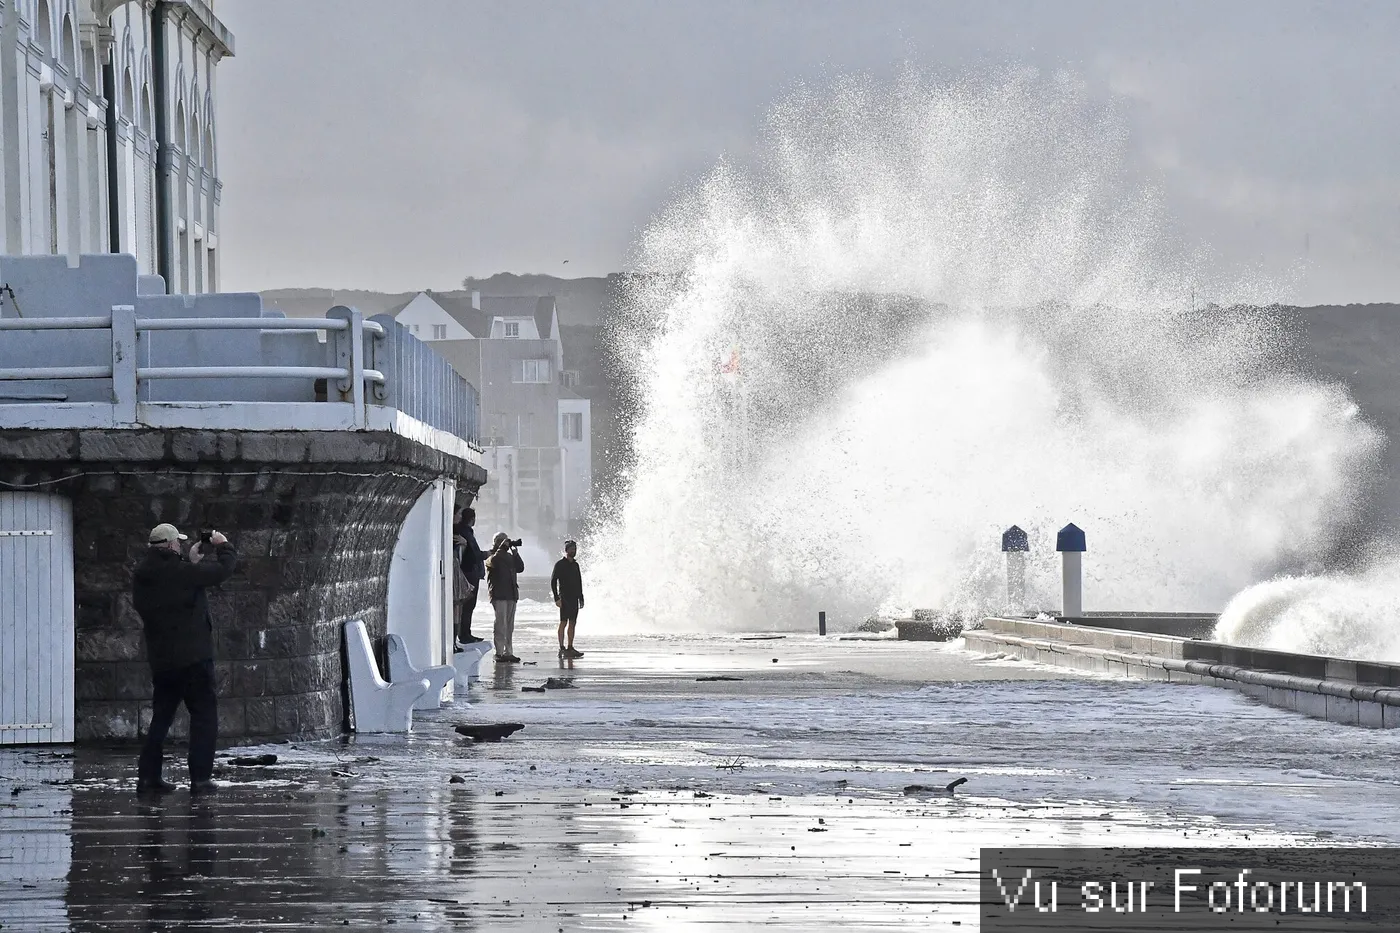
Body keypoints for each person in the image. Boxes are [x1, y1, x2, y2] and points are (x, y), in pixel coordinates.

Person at [131, 523, 237, 795]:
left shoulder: (142, 575)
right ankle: (200, 779)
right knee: (204, 716)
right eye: (177, 542)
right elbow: (221, 571)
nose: (179, 545)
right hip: (194, 660)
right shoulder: (180, 573)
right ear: (168, 545)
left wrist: (190, 563)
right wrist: (224, 545)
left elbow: (177, 590)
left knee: (162, 718)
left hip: (163, 661)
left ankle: (148, 777)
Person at [452, 505, 489, 649]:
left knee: (466, 607)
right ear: (472, 519)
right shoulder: (465, 532)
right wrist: (487, 554)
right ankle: (464, 634)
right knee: (467, 606)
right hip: (469, 573)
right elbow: (475, 554)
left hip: (469, 572)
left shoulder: (463, 532)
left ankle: (465, 633)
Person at [485, 532, 524, 663]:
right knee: (500, 624)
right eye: (501, 541)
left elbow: (520, 568)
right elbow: (494, 562)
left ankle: (509, 652)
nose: (505, 543)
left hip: (511, 594)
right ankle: (499, 652)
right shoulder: (492, 556)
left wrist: (516, 553)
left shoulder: (508, 556)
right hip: (499, 594)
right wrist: (501, 548)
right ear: (496, 542)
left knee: (509, 625)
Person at [551, 540, 585, 659]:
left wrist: (581, 597)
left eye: (575, 549)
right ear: (566, 550)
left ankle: (570, 647)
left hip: (574, 597)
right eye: (571, 549)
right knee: (563, 622)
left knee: (573, 622)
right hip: (564, 597)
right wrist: (556, 598)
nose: (573, 551)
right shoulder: (560, 564)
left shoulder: (576, 565)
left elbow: (579, 581)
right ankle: (561, 648)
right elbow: (553, 581)